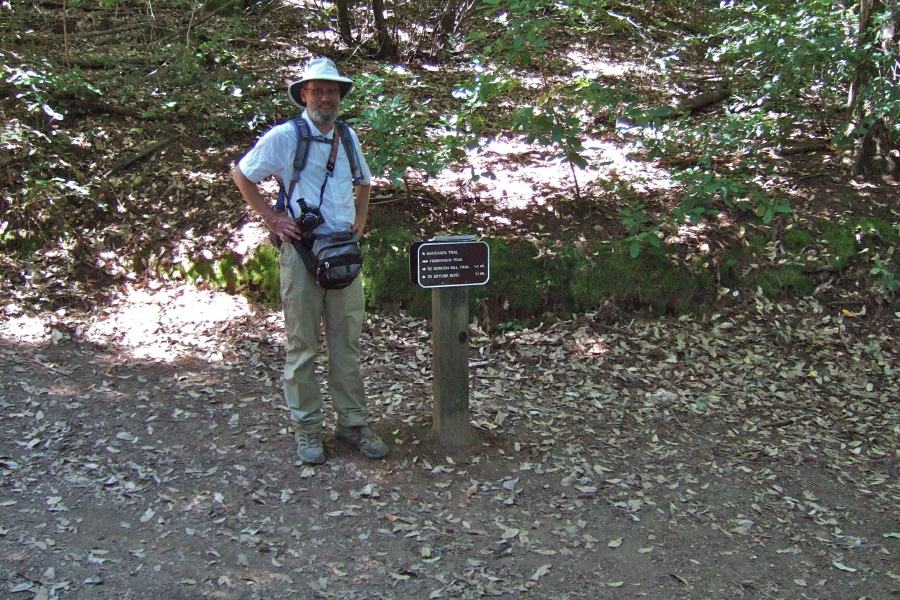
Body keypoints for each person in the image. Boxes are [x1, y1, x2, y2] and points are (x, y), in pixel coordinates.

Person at [232, 58, 388, 464]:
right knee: (303, 345)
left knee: (347, 343)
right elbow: (243, 174)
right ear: (304, 94)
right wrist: (271, 217)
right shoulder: (285, 136)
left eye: (331, 91)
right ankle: (307, 429)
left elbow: (365, 182)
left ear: (339, 97)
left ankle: (352, 423)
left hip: (343, 255)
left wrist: (361, 219)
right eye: (318, 90)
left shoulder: (348, 136)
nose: (325, 97)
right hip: (302, 253)